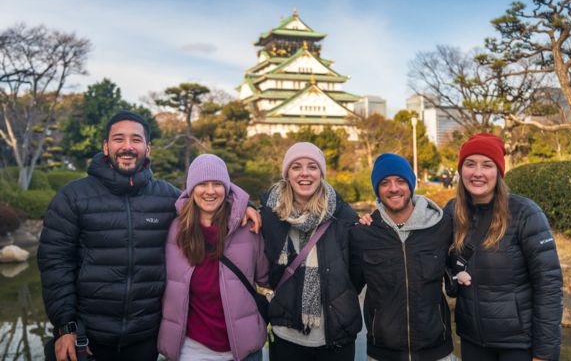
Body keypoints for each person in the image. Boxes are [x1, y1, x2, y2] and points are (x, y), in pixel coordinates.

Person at [38, 110, 260, 361]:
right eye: (119, 139)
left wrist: (245, 206)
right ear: (106, 146)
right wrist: (65, 326)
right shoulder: (73, 197)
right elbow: (55, 263)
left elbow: (206, 198)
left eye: (136, 139)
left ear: (148, 148)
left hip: (146, 337)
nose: (127, 146)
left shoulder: (166, 198)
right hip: (88, 338)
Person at [446, 133, 563, 361]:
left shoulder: (525, 213)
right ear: (461, 170)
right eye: (470, 164)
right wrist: (376, 222)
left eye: (487, 165)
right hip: (472, 339)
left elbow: (549, 286)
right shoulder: (452, 212)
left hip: (517, 343)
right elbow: (427, 249)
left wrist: (544, 354)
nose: (477, 172)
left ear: (499, 172)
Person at [157, 154, 268, 361]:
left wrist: (252, 208)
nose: (210, 191)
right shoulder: (175, 230)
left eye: (217, 183)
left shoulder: (247, 228)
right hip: (191, 350)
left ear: (226, 188)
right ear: (191, 189)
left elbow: (268, 278)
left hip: (243, 350)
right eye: (202, 184)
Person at [260, 142, 362, 361]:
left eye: (312, 167)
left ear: (321, 173)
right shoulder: (269, 214)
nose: (304, 173)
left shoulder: (343, 216)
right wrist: (247, 208)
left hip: (335, 334)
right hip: (286, 335)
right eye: (296, 167)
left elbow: (356, 273)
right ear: (287, 174)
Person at [350, 153, 455, 361]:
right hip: (382, 353)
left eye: (400, 181)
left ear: (411, 184)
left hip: (437, 351)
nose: (393, 188)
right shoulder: (363, 234)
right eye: (384, 183)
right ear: (377, 189)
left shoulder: (441, 226)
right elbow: (348, 288)